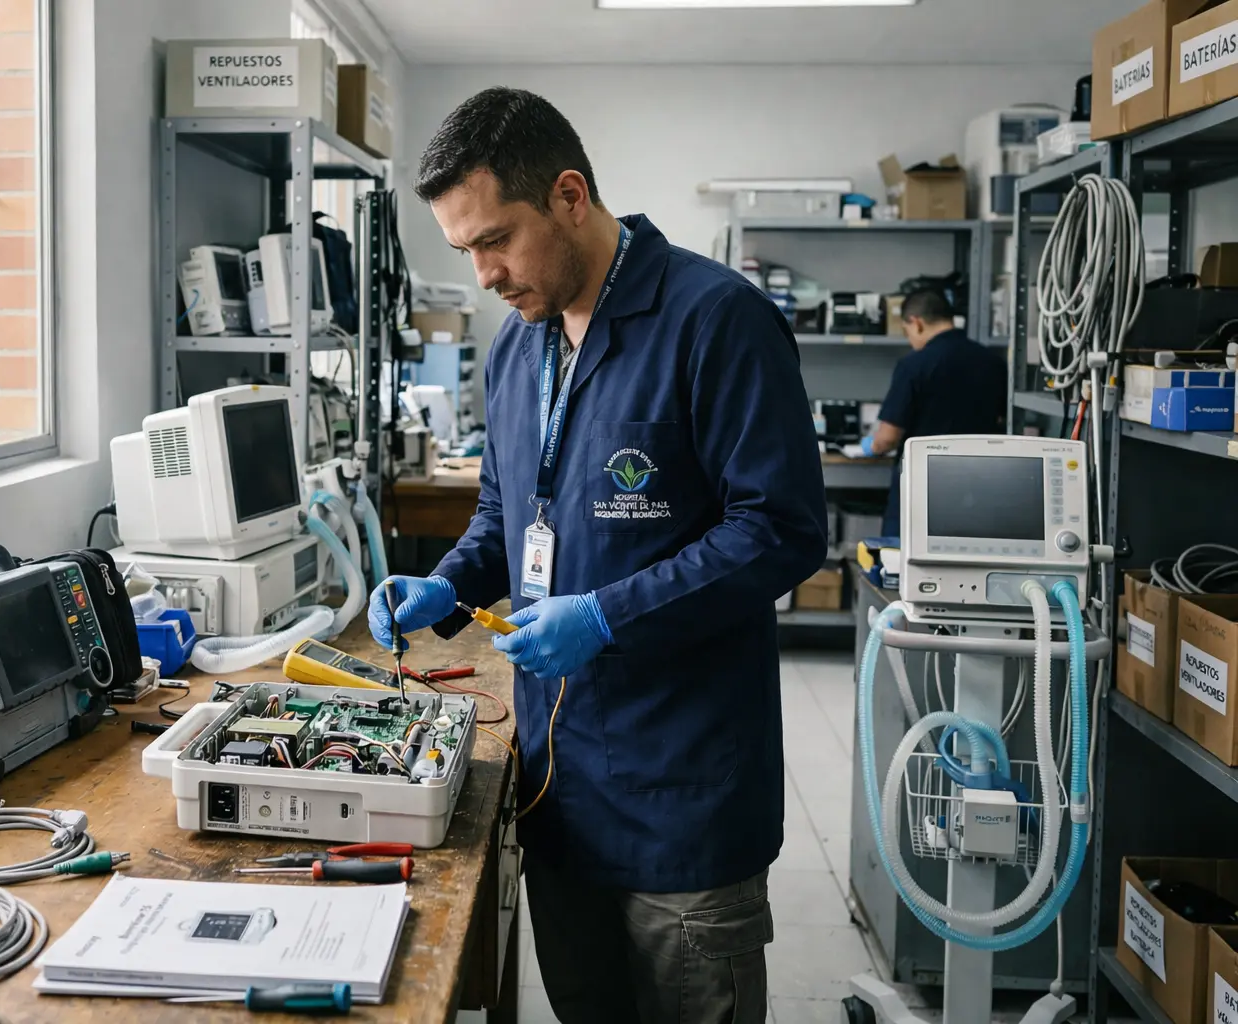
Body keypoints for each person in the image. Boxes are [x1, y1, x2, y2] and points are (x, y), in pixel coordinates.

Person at [367, 87, 828, 1024]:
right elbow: (507, 513)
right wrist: (447, 584)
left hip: (683, 790)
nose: (485, 274)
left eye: (496, 240)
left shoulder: (716, 319)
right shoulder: (515, 349)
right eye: (464, 252)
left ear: (569, 195)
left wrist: (608, 615)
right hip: (557, 784)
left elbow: (777, 529)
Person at [857, 289, 1007, 536]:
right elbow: (1000, 419)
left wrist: (869, 447)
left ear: (916, 323)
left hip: (923, 485)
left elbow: (888, 437)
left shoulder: (914, 365)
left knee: (903, 563)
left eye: (907, 333)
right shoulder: (993, 362)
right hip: (978, 483)